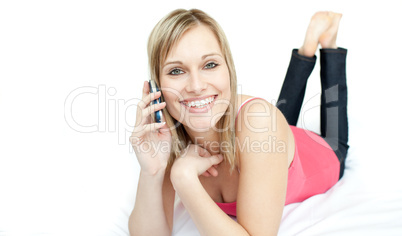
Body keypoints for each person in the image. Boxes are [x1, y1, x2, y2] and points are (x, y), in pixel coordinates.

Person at [129, 9, 349, 235]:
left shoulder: (260, 123)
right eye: (176, 71)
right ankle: (306, 51)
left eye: (210, 65)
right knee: (275, 120)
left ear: (229, 70)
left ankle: (328, 45)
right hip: (271, 140)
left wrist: (184, 179)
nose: (196, 86)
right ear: (157, 87)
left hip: (322, 152)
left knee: (286, 125)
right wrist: (152, 172)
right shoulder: (167, 137)